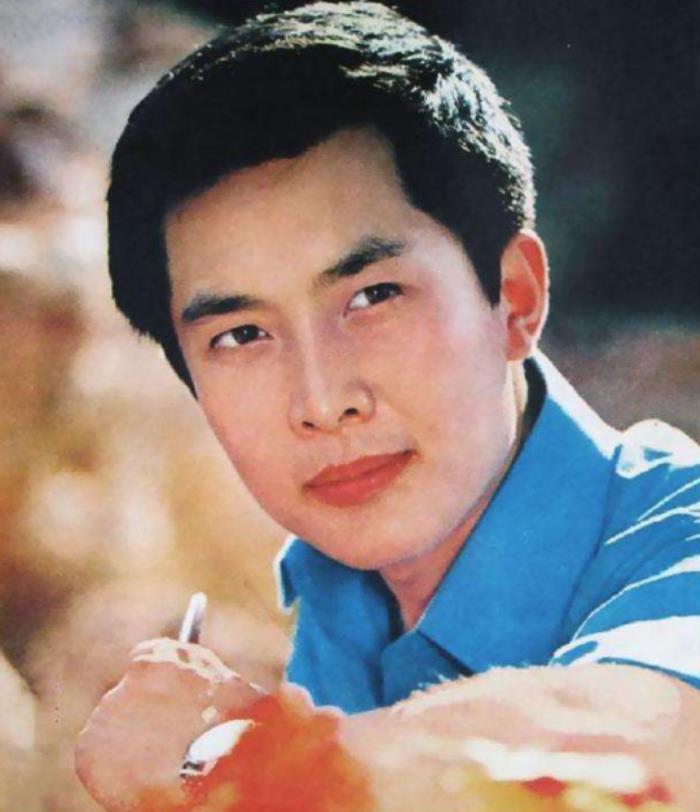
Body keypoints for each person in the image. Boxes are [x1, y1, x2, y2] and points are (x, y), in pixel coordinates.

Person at [75, 2, 700, 809]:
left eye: (372, 296)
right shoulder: (339, 590)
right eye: (241, 335)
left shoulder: (680, 535)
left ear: (515, 298)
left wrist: (227, 757)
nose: (322, 401)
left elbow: (650, 745)